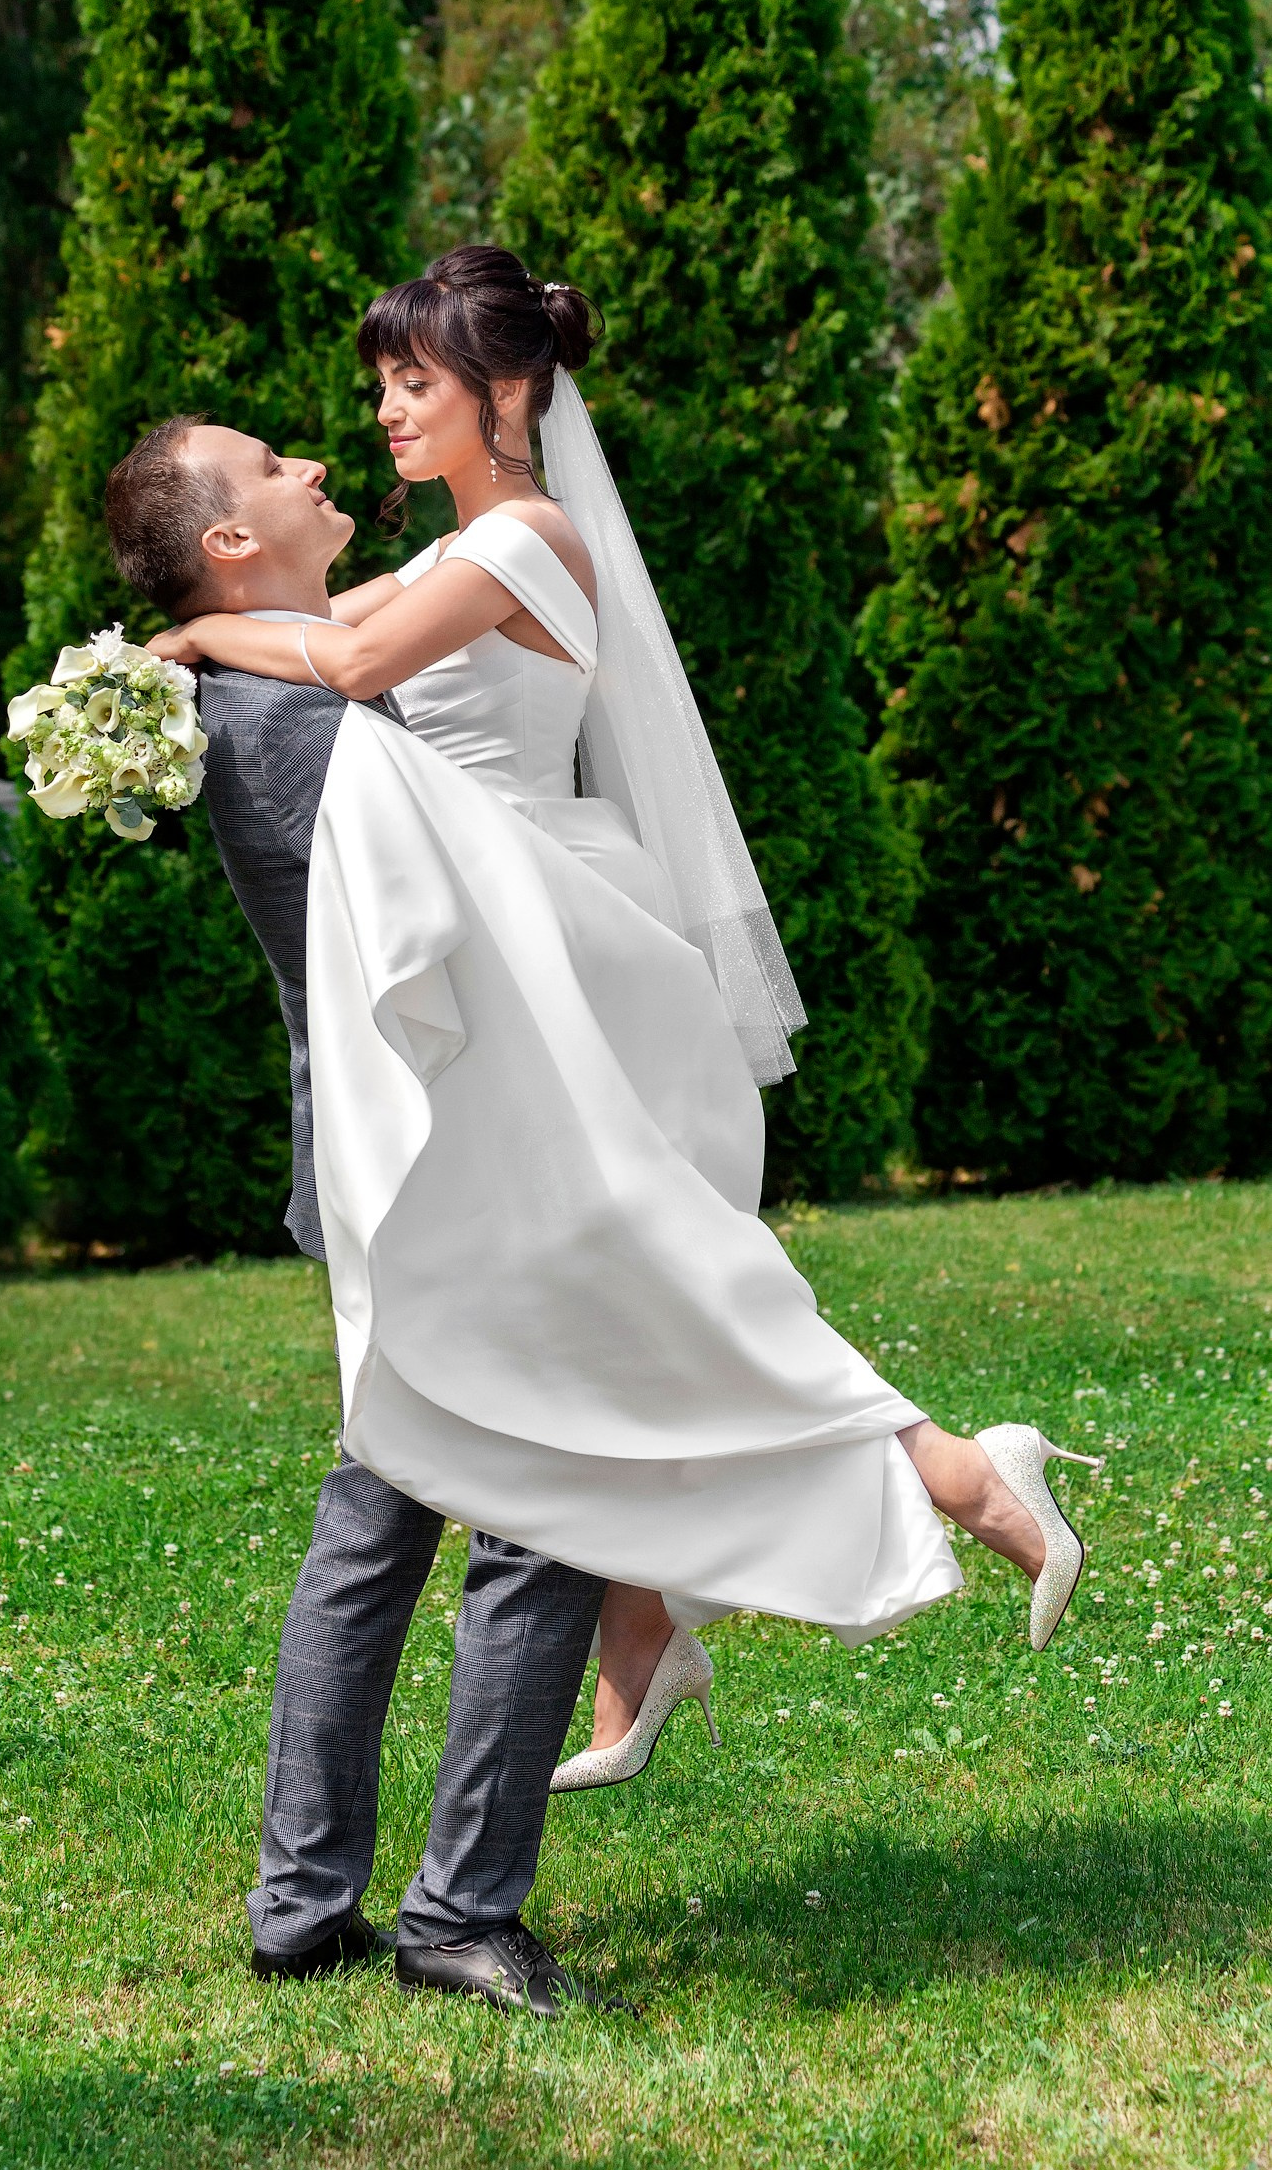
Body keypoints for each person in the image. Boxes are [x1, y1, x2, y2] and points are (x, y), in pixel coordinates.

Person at [140, 245, 1098, 1805]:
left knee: (659, 1277)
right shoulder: (454, 548)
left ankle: (962, 1474)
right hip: (502, 920)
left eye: (415, 383)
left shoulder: (525, 539)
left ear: (508, 392)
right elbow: (320, 631)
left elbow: (348, 661)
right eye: (383, 383)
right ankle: (645, 1627)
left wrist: (186, 641)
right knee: (618, 1298)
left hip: (552, 927)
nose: (384, 412)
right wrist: (195, 647)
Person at [104, 416, 621, 2017]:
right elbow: (450, 924)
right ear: (230, 541)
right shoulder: (294, 719)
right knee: (545, 1516)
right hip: (441, 1162)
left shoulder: (270, 675)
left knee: (383, 1509)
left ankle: (301, 1899)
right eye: (274, 469)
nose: (317, 469)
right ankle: (459, 1913)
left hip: (394, 1158)